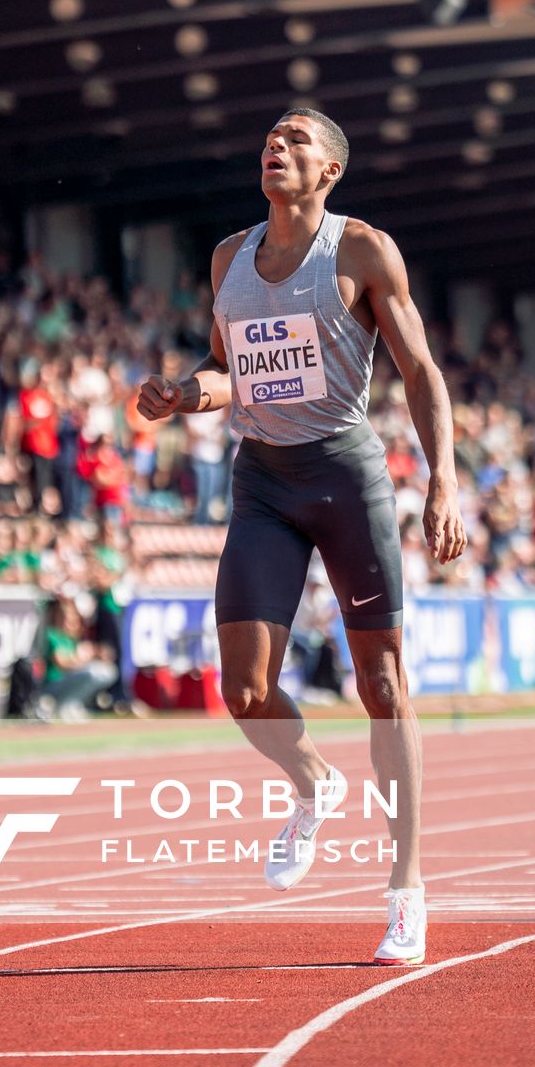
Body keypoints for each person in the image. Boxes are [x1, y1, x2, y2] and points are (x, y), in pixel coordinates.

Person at [137, 107, 466, 965]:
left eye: (297, 143)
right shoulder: (229, 259)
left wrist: (444, 482)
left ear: (329, 173)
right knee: (243, 691)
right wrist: (183, 395)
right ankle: (313, 780)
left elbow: (422, 371)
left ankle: (406, 890)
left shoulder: (361, 251)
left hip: (345, 477)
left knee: (384, 687)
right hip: (263, 483)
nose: (276, 149)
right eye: (271, 140)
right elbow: (225, 371)